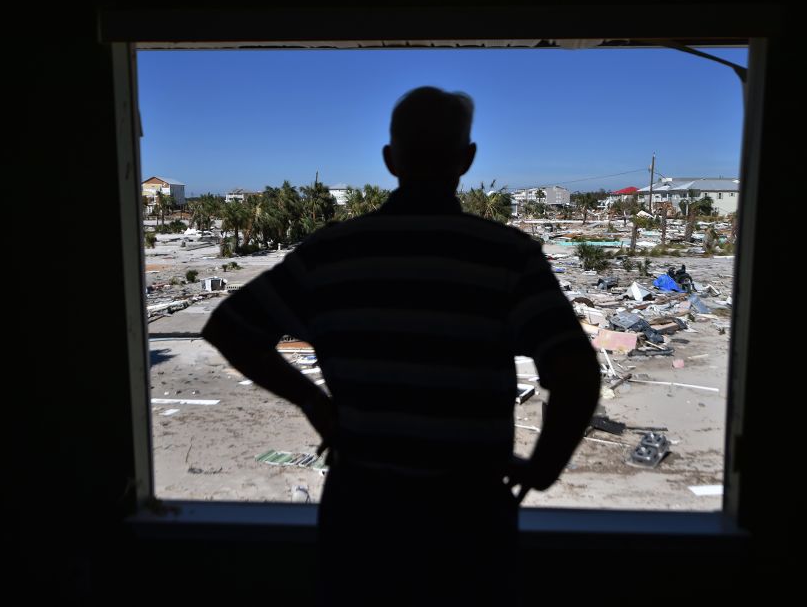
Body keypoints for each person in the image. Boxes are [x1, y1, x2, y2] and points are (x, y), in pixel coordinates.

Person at [201, 86, 600, 606]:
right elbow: (575, 372)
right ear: (467, 159)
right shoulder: (506, 256)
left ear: (390, 160)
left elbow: (230, 328)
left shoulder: (333, 252)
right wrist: (543, 467)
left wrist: (314, 402)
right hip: (469, 514)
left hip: (363, 509)